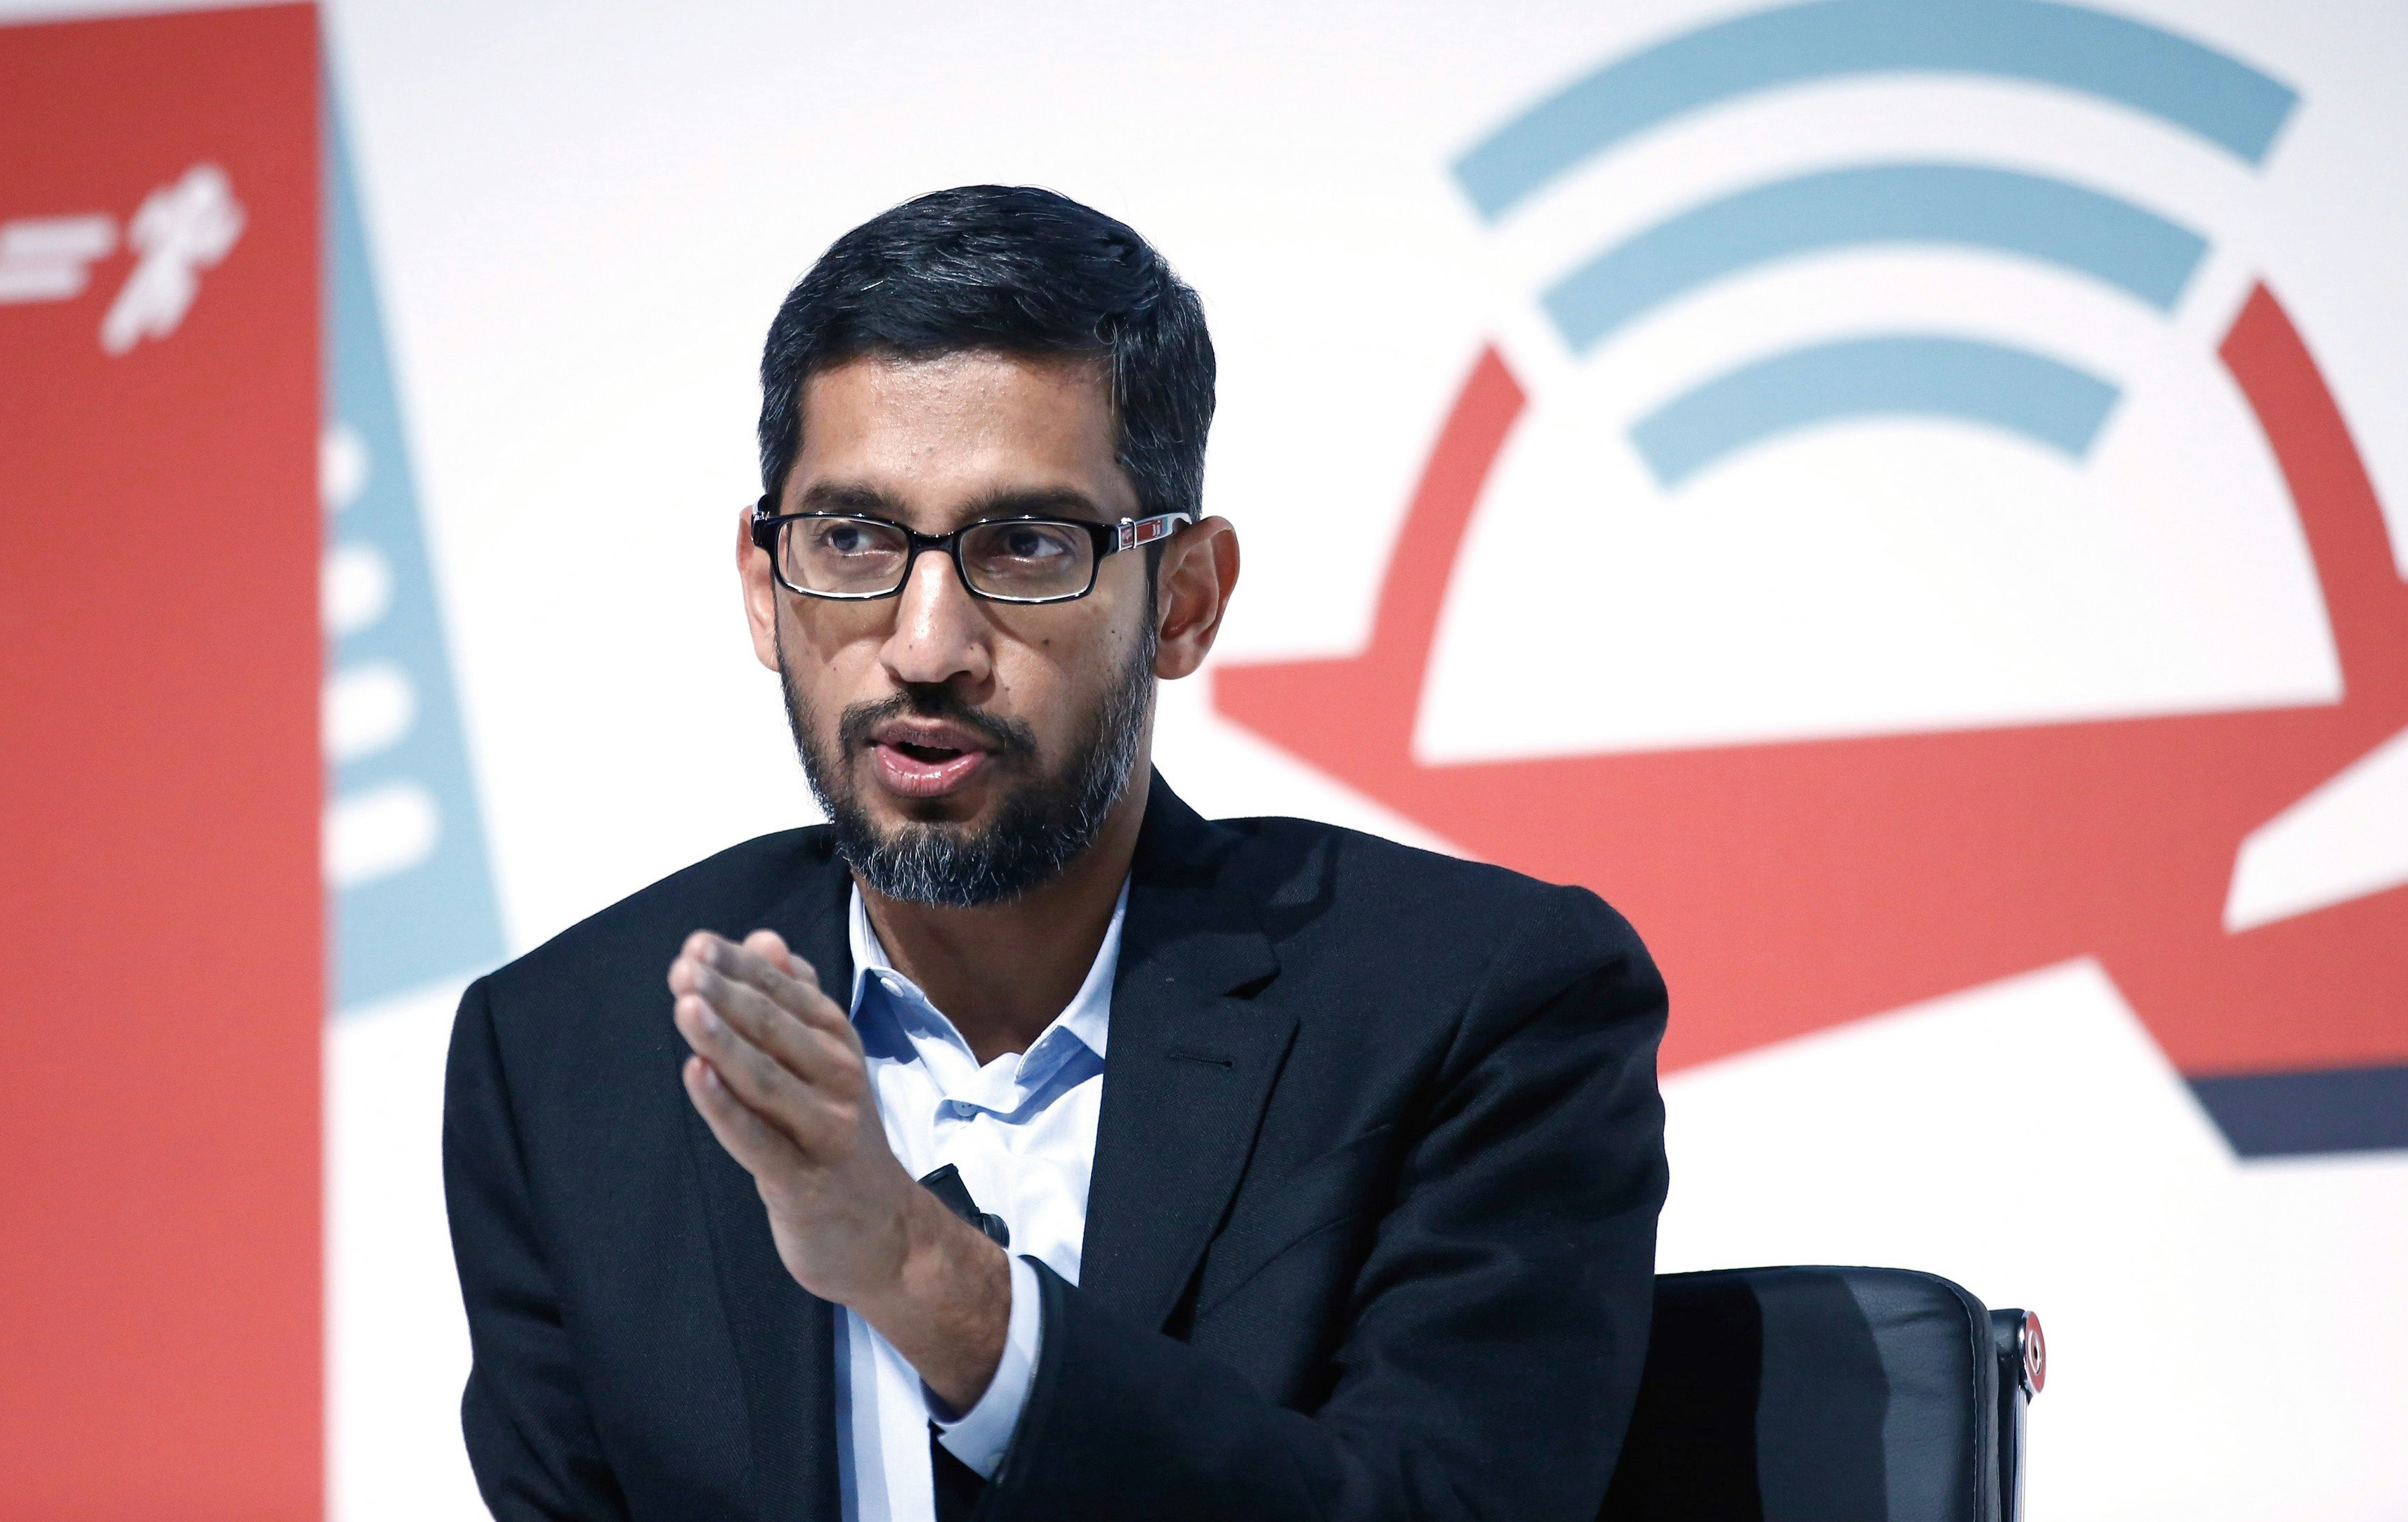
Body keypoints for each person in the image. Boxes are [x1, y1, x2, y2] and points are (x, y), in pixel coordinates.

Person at [443, 184, 1669, 1522]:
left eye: (1026, 546)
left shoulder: (1473, 1008)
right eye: (851, 539)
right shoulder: (565, 1057)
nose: (924, 646)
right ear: (762, 585)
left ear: (1184, 600)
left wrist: (929, 1282)